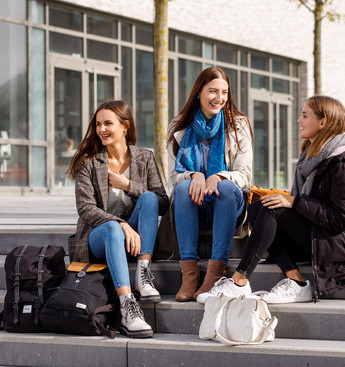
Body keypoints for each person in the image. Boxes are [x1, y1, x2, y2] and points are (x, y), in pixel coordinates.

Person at [197, 95, 345, 304]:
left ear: (323, 122)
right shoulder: (312, 157)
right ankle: (296, 282)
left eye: (304, 115)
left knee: (272, 209)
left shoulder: (343, 164)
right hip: (322, 233)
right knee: (259, 207)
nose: (298, 120)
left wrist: (294, 202)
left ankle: (239, 280)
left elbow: (342, 218)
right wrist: (289, 200)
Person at [67, 100, 169, 338]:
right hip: (100, 237)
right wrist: (122, 225)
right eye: (98, 124)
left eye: (108, 124)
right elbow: (86, 209)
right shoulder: (88, 162)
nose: (102, 129)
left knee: (149, 198)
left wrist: (128, 186)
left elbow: (163, 203)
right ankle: (128, 306)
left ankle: (143, 273)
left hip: (135, 238)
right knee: (113, 227)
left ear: (125, 126)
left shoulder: (144, 157)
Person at [167, 66, 253, 302]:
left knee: (224, 187)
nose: (219, 98)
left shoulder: (238, 124)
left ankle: (215, 272)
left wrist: (220, 176)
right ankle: (190, 274)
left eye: (224, 92)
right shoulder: (179, 126)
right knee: (183, 186)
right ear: (198, 92)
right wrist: (194, 175)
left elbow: (245, 174)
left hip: (227, 204)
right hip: (194, 204)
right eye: (213, 91)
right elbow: (173, 176)